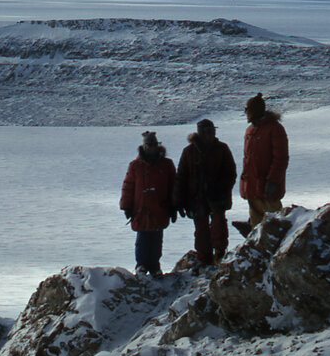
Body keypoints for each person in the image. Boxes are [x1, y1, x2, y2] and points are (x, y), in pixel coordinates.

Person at [173, 119, 237, 269]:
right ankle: (204, 260)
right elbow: (181, 176)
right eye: (207, 131)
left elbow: (230, 173)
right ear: (200, 133)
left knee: (219, 226)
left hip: (217, 197)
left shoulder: (222, 149)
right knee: (201, 231)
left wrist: (221, 189)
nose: (210, 134)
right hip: (196, 198)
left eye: (212, 131)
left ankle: (220, 255)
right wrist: (178, 201)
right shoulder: (189, 152)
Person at [120, 131, 176, 276]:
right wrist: (126, 206)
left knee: (157, 238)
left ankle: (155, 266)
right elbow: (128, 186)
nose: (152, 148)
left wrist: (174, 205)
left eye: (154, 144)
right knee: (143, 237)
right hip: (141, 209)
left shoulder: (167, 164)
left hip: (160, 207)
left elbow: (173, 185)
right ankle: (141, 265)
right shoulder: (135, 166)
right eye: (149, 145)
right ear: (144, 146)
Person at [237, 93, 289, 235]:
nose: (246, 113)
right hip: (253, 188)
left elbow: (281, 158)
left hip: (267, 188)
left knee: (275, 226)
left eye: (247, 109)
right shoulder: (250, 130)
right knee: (256, 227)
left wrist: (272, 180)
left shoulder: (275, 128)